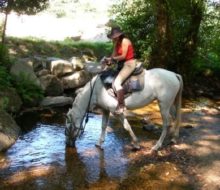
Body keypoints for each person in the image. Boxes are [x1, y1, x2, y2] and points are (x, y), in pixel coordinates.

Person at [106, 27, 136, 114]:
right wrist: (108, 62)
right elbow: (113, 56)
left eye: (115, 36)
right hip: (121, 64)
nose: (114, 38)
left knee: (117, 83)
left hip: (129, 63)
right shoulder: (116, 43)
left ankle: (121, 106)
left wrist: (111, 59)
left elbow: (123, 56)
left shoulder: (125, 41)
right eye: (113, 37)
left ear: (119, 35)